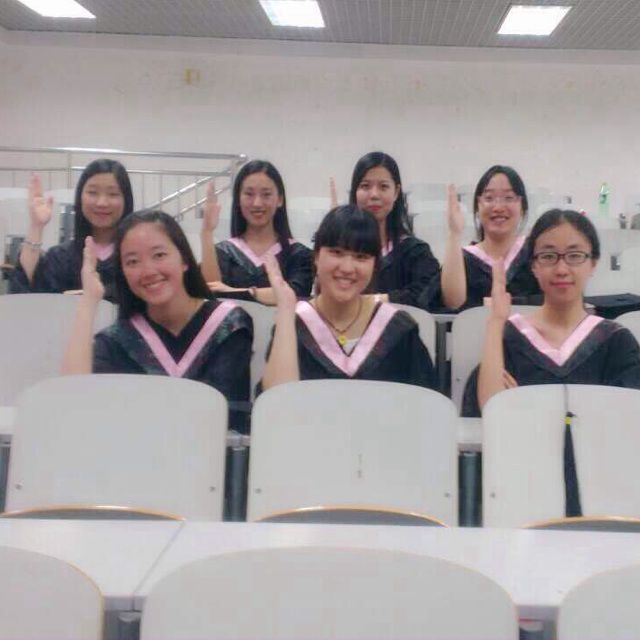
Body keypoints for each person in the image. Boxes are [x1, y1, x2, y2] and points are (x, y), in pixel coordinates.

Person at [62, 210, 253, 432]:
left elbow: (222, 416)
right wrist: (89, 301)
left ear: (184, 259)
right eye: (132, 261)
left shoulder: (229, 325)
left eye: (159, 255)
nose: (148, 271)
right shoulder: (119, 341)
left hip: (213, 451)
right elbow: (72, 400)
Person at [463, 209, 640, 417]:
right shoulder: (509, 338)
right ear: (533, 266)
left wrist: (526, 409)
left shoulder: (616, 342)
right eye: (548, 256)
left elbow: (626, 420)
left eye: (575, 256)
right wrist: (495, 320)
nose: (561, 269)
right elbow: (490, 413)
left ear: (593, 263)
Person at [261, 205, 435, 390]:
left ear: (375, 265)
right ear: (317, 256)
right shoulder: (294, 324)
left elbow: (425, 402)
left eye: (361, 257)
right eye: (337, 252)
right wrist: (286, 310)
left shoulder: (399, 330)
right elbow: (277, 400)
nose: (347, 268)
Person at [10, 159, 134, 301]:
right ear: (80, 197)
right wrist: (36, 226)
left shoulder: (136, 257)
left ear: (126, 199)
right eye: (93, 192)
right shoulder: (60, 258)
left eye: (112, 194)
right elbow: (23, 295)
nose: (102, 202)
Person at [422, 165, 540, 311]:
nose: (498, 207)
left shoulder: (536, 254)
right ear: (477, 207)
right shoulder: (464, 260)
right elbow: (452, 304)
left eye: (509, 198)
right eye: (489, 198)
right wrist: (454, 232)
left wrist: (510, 303)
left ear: (522, 207)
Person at [200, 160, 313, 304]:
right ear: (238, 199)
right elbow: (212, 297)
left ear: (280, 199)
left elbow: (294, 294)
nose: (257, 203)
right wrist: (207, 232)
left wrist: (235, 292)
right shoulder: (224, 252)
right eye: (249, 194)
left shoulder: (299, 255)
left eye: (266, 194)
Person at [347, 151, 439, 307]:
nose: (374, 195)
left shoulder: (415, 252)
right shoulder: (340, 251)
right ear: (355, 191)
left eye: (383, 186)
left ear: (396, 192)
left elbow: (425, 294)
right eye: (365, 186)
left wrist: (370, 302)